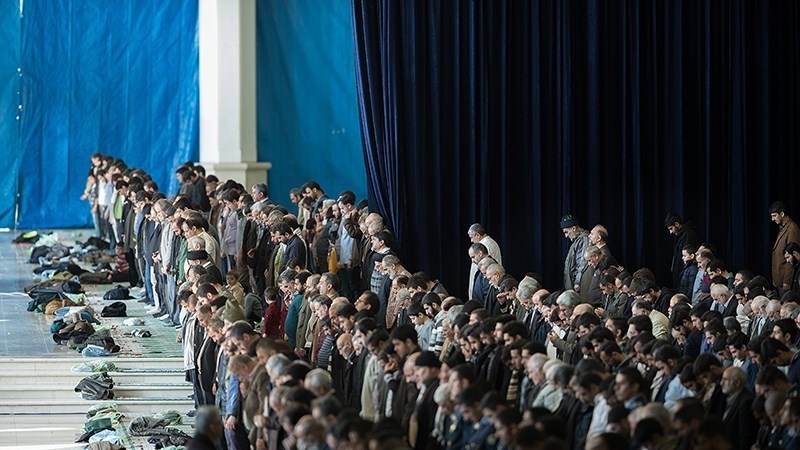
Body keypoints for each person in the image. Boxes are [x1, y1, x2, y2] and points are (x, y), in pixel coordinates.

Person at [771, 201, 800, 295]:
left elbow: (792, 256)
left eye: (774, 216)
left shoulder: (792, 229)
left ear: (782, 214)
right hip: (779, 279)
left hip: (785, 281)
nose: (772, 219)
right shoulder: (783, 227)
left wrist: (787, 280)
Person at [665, 213, 700, 290]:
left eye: (671, 228)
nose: (670, 232)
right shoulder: (680, 236)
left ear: (677, 224)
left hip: (685, 273)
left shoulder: (688, 234)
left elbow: (688, 256)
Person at [561, 215, 590, 292]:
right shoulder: (577, 241)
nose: (566, 236)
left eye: (566, 232)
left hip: (576, 285)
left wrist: (577, 282)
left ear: (574, 228)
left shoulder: (583, 239)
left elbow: (582, 262)